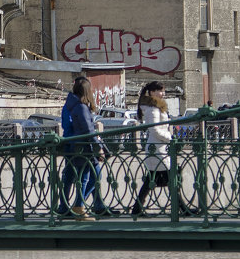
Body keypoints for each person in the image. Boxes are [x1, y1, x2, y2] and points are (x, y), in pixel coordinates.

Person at [131, 81, 197, 217]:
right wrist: (170, 138)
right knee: (168, 178)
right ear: (152, 92)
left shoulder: (154, 106)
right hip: (157, 148)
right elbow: (155, 129)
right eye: (160, 91)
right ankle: (183, 209)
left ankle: (137, 209)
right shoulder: (153, 108)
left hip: (158, 147)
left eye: (163, 91)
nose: (163, 93)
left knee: (153, 179)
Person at [61, 78, 118, 219]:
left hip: (76, 144)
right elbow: (86, 129)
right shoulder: (79, 106)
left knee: (84, 175)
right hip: (80, 146)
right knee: (89, 175)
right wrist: (97, 146)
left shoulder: (72, 104)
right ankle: (77, 206)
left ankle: (87, 205)